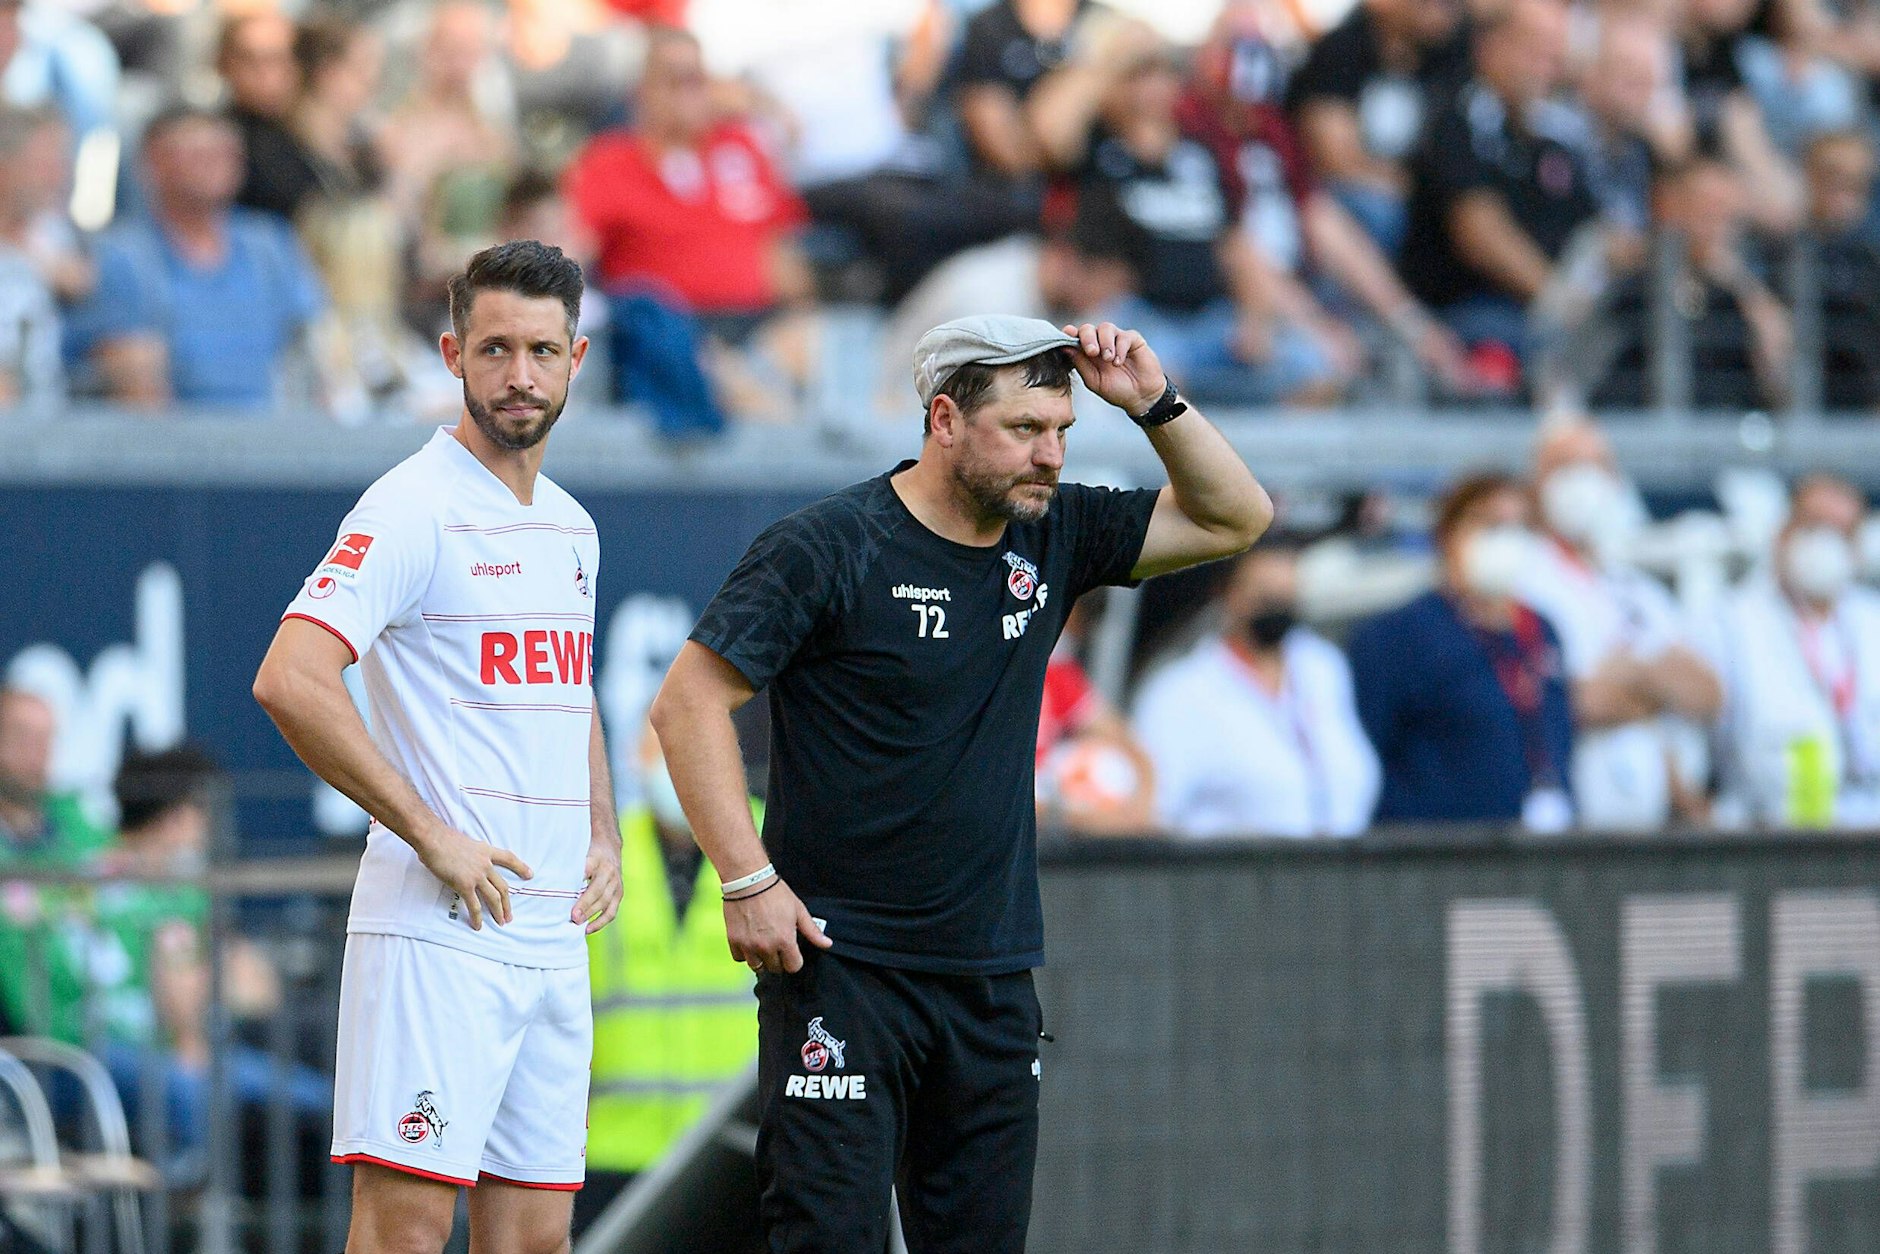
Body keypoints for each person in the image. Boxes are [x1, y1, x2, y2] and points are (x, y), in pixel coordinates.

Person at [649, 313, 1270, 1251]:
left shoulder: (1055, 533)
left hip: (990, 977)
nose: (1051, 455)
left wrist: (1154, 404)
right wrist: (748, 881)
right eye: (1024, 430)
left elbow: (1237, 516)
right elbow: (687, 705)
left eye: (1062, 431)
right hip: (841, 971)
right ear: (944, 419)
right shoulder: (827, 545)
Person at [253, 241, 624, 1251]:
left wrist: (603, 831)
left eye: (542, 352)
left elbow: (567, 687)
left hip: (548, 934)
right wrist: (430, 834)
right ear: (454, 353)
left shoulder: (570, 527)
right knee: (406, 1234)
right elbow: (290, 678)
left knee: (534, 1237)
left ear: (575, 360)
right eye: (495, 349)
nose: (520, 376)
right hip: (438, 933)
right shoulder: (410, 503)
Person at [563, 26, 811, 428]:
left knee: (825, 343)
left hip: (756, 325)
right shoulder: (609, 162)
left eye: (696, 80)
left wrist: (801, 319)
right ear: (642, 92)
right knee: (718, 371)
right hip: (669, 331)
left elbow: (783, 255)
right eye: (672, 81)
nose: (687, 94)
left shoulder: (741, 148)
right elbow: (573, 251)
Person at [578, 725, 760, 1233]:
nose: (679, 771)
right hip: (615, 1150)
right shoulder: (602, 856)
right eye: (662, 753)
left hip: (734, 1153)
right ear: (636, 762)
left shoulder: (773, 843)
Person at [1517, 422, 1721, 828]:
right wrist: (1658, 690)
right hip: (1575, 815)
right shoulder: (1522, 580)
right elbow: (1574, 703)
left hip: (1660, 814)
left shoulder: (1634, 588)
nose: (1582, 481)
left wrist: (1631, 674)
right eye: (1565, 467)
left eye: (1596, 467)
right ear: (1536, 482)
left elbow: (1708, 693)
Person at [1348, 470, 1575, 829]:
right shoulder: (1397, 635)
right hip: (1439, 853)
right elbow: (1361, 756)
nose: (1504, 540)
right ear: (1447, 534)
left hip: (1537, 848)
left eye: (1518, 527)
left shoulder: (1542, 629)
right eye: (1489, 524)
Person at [62, 106, 326, 410]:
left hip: (276, 438)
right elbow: (137, 391)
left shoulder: (270, 246)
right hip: (181, 447)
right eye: (197, 153)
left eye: (225, 151)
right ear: (154, 162)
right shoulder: (123, 258)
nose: (215, 163)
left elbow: (315, 352)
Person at [1398, 0, 1600, 367]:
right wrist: (1562, 301)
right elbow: (1480, 236)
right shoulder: (1458, 118)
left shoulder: (1555, 129)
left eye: (1555, 55)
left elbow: (1594, 227)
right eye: (1535, 51)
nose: (1547, 67)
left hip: (1540, 311)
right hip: (1468, 309)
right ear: (1491, 45)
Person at [1132, 541, 1380, 837]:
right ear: (1228, 595)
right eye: (1265, 599)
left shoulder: (1322, 667)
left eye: (1287, 599)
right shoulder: (1179, 693)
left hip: (1342, 871)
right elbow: (1153, 814)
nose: (1277, 612)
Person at [1700, 474, 1880, 826]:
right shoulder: (1729, 622)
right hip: (1770, 835)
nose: (1827, 545)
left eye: (1842, 533)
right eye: (1815, 528)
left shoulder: (1871, 619)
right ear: (1783, 533)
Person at [1282, 0, 1470, 255]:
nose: (1444, 10)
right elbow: (1333, 158)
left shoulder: (1451, 61)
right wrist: (1411, 186)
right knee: (1377, 210)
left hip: (1414, 212)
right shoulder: (1342, 50)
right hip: (1343, 205)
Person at [1803, 130, 1880, 408]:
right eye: (1832, 176)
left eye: (1856, 182)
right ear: (1808, 176)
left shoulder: (1870, 260)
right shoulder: (1778, 253)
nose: (1843, 191)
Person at [0, 105, 63, 408]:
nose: (57, 177)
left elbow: (82, 280)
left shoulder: (53, 232)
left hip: (48, 427)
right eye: (43, 164)